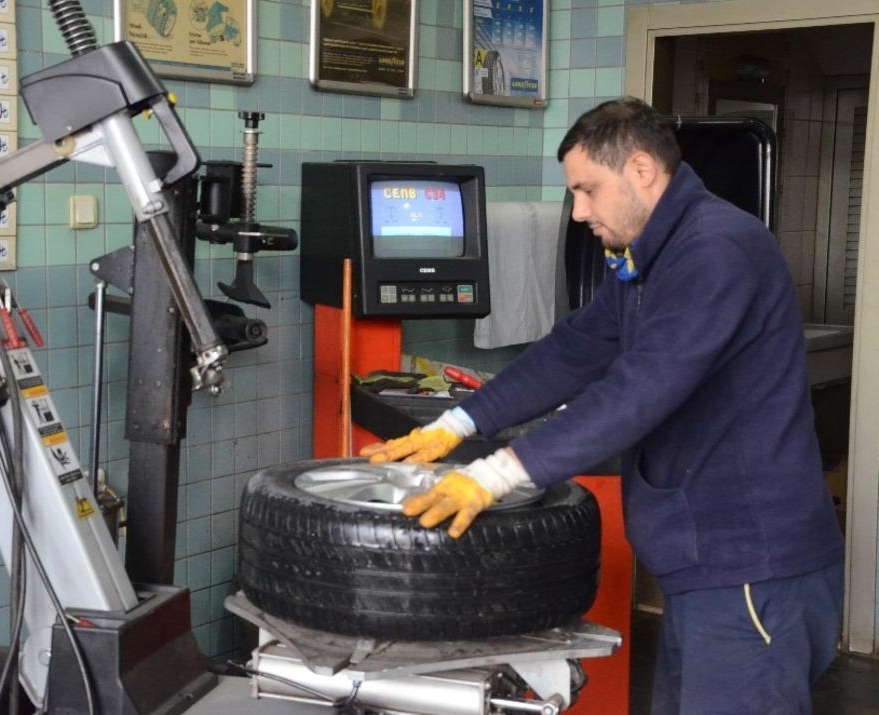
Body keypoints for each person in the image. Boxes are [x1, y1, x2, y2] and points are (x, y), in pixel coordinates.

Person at [360, 97, 844, 715]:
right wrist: (459, 422)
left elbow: (641, 388)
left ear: (641, 170)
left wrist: (493, 476)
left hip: (753, 570)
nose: (579, 211)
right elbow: (576, 348)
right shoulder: (656, 253)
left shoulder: (717, 250)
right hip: (709, 572)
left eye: (587, 190)